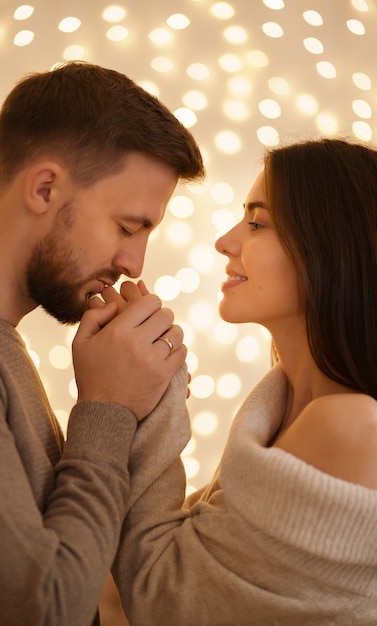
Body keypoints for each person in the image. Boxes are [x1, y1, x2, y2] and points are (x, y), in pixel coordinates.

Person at [0, 61, 204, 626]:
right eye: (127, 227)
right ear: (44, 188)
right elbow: (44, 610)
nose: (133, 263)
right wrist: (108, 408)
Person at [109, 138, 377, 625]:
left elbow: (163, 597)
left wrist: (148, 394)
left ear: (330, 249)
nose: (226, 241)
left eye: (257, 223)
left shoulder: (351, 424)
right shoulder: (284, 409)